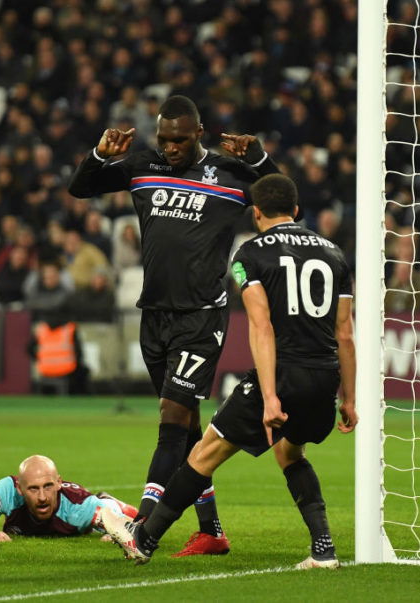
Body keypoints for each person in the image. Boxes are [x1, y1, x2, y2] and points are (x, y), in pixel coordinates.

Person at [100, 174, 357, 568]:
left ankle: (144, 539)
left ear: (256, 214)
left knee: (204, 453)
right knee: (290, 453)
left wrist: (269, 397)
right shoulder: (334, 254)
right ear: (296, 210)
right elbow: (345, 333)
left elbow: (262, 326)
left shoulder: (248, 255)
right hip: (325, 378)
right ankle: (323, 549)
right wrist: (350, 397)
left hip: (281, 376)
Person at [68, 95, 280, 556]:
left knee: (171, 418)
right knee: (187, 429)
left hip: (201, 316)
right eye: (164, 139)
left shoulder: (229, 173)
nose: (170, 148)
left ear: (198, 133)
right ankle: (211, 531)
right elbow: (80, 188)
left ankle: (143, 524)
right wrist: (100, 154)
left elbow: (285, 199)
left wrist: (259, 159)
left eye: (179, 140)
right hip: (155, 314)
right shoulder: (143, 166)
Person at [0, 455, 137, 541]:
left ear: (58, 483)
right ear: (19, 489)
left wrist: (113, 534)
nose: (42, 497)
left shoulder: (80, 507)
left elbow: (137, 530)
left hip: (95, 509)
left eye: (48, 486)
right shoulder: (6, 491)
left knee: (118, 513)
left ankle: (112, 503)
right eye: (33, 488)